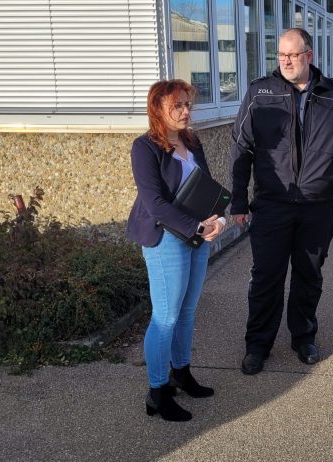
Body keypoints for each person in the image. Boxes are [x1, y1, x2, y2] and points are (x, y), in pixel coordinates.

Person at [229, 28, 333, 375]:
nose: (286, 61)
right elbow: (241, 150)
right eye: (281, 55)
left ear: (309, 56)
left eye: (293, 54)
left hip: (317, 205)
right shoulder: (260, 93)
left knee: (309, 275)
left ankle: (303, 338)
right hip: (272, 204)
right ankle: (257, 345)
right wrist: (238, 202)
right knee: (266, 277)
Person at [127, 79, 226, 422]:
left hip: (196, 236)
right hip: (165, 238)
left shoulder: (192, 141)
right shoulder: (145, 148)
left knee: (187, 311)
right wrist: (197, 227)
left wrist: (218, 220)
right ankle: (158, 391)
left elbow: (207, 188)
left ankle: (181, 373)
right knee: (166, 317)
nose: (186, 112)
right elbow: (154, 203)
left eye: (187, 105)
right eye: (178, 106)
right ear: (158, 109)